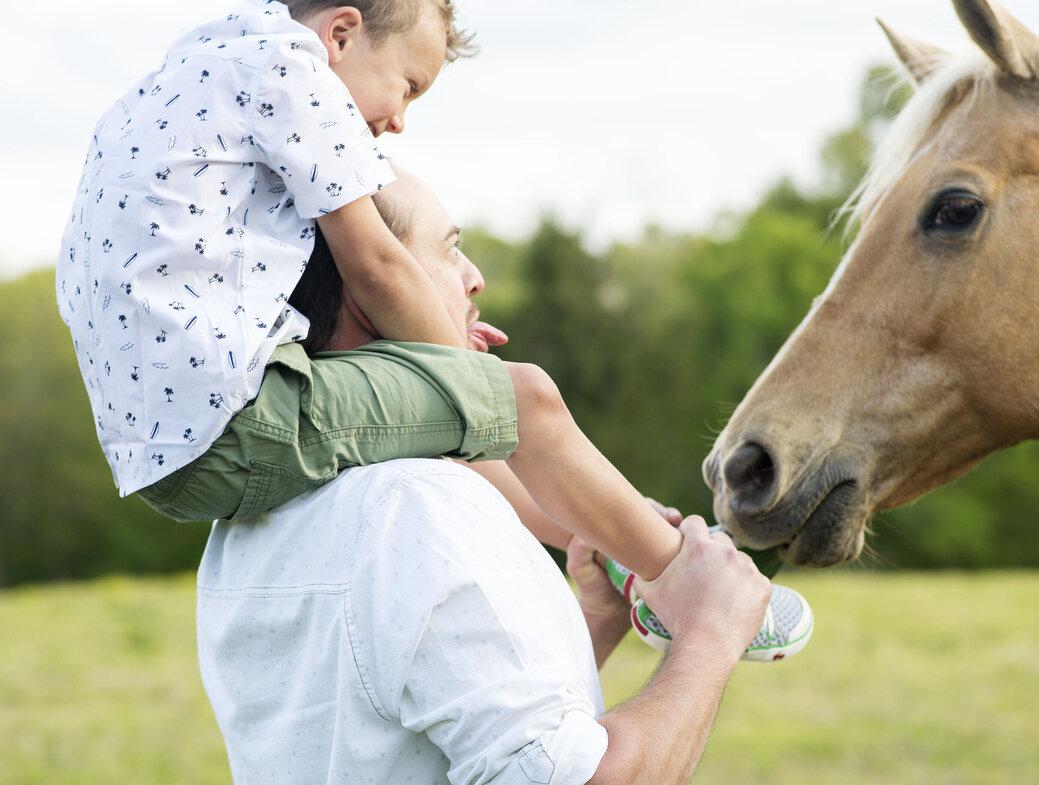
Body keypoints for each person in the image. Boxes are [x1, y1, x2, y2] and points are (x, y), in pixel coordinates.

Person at [55, 0, 808, 657]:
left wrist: (480, 419)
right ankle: (685, 581)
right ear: (341, 36)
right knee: (527, 398)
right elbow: (378, 265)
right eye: (408, 85)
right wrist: (479, 387)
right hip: (234, 416)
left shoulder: (198, 61)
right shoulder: (288, 64)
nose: (398, 120)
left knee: (453, 417)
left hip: (161, 445)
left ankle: (613, 546)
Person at [196, 169, 776, 785]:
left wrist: (594, 620)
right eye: (448, 250)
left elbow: (405, 732)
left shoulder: (243, 527)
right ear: (371, 286)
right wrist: (709, 632)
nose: (474, 276)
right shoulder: (418, 507)